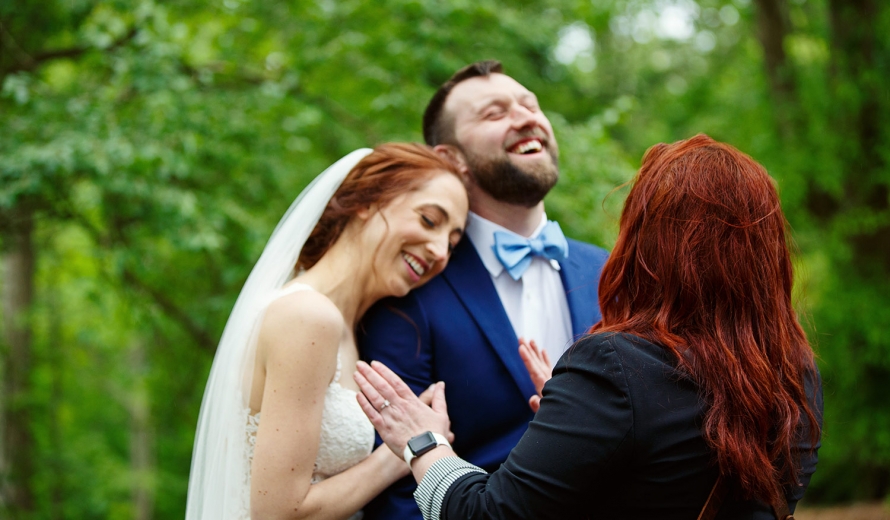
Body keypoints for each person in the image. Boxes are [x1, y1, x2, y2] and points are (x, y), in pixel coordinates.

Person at [355, 134, 823, 519]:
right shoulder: (797, 375)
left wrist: (424, 442)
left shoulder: (614, 365)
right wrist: (577, 415)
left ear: (647, 244)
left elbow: (486, 514)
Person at [359, 60, 609, 519]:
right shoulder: (411, 288)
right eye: (495, 113)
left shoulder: (610, 270)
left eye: (530, 105)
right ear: (452, 158)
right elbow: (399, 484)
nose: (526, 118)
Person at [185, 143, 468, 520]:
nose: (440, 251)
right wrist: (408, 450)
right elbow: (278, 513)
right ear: (367, 201)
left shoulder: (345, 325)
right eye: (429, 220)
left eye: (452, 243)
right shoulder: (308, 317)